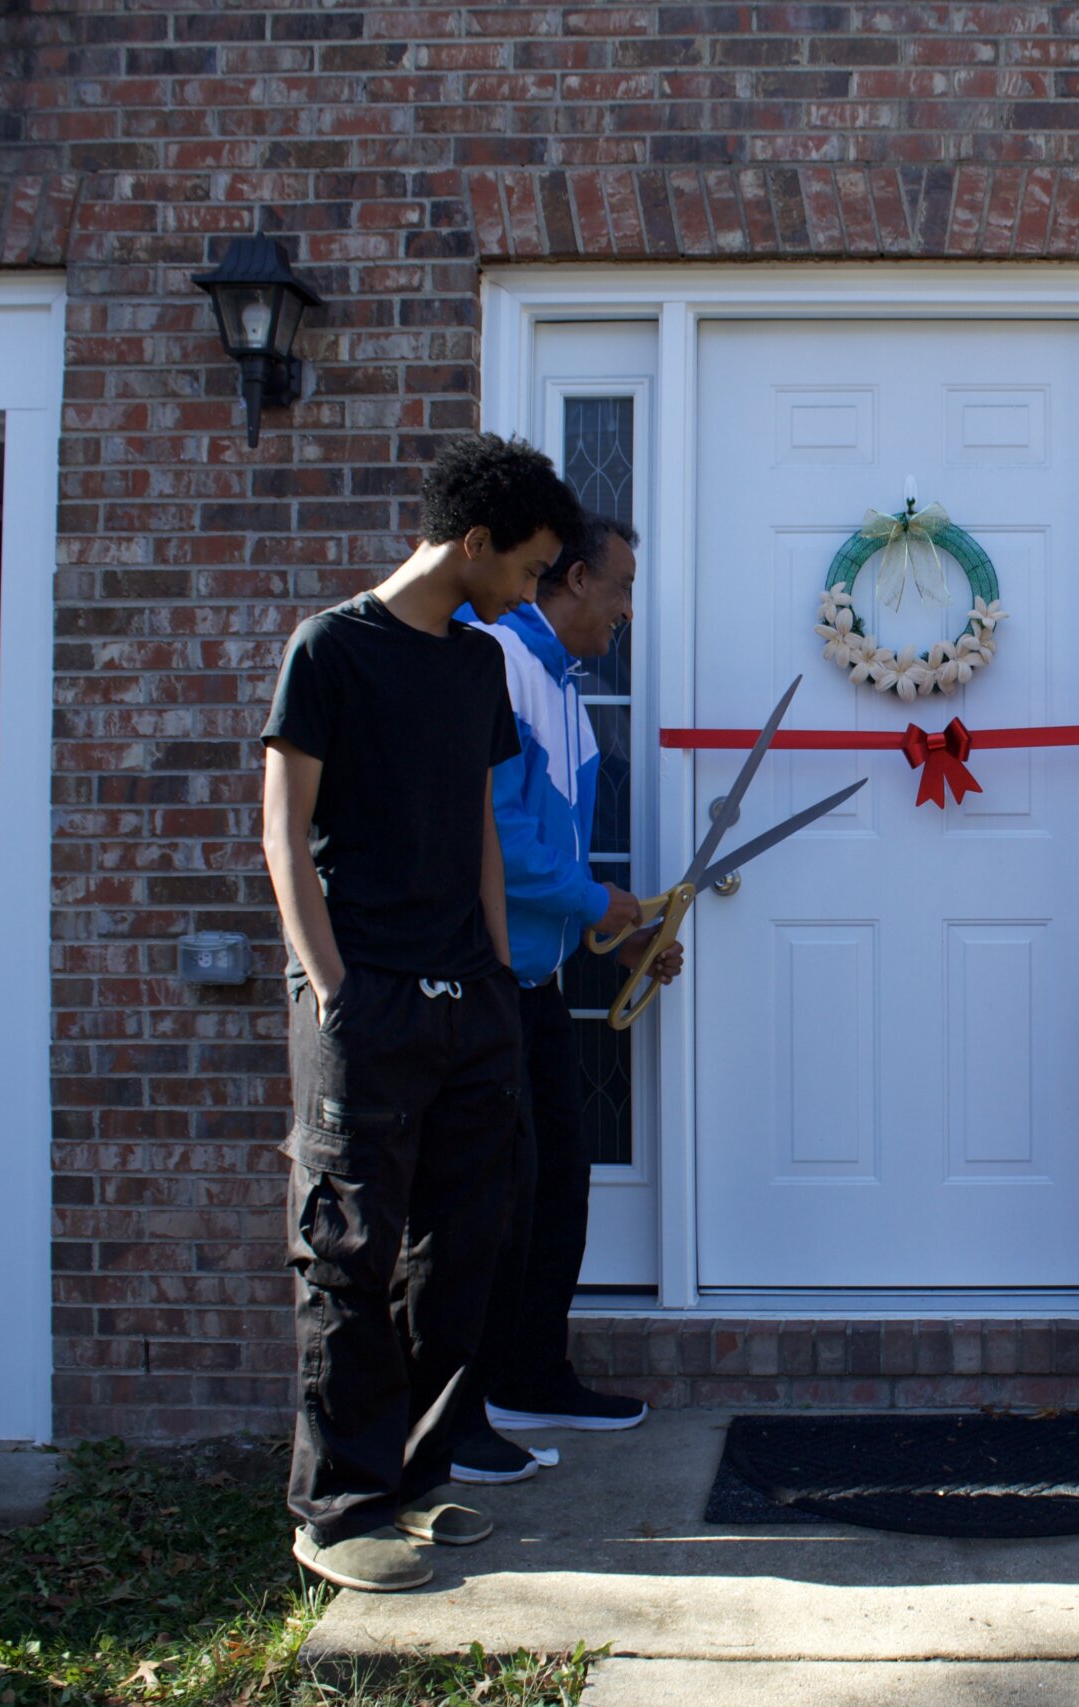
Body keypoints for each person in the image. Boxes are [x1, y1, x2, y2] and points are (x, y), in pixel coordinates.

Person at [261, 432, 582, 1594]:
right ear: (475, 542)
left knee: (463, 1256)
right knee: (349, 1255)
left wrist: (496, 976)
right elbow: (282, 832)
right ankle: (338, 1511)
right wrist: (333, 989)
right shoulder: (330, 650)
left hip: (469, 1000)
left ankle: (414, 1480)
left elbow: (485, 832)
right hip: (371, 1000)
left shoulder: (476, 665)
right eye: (530, 566)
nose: (533, 589)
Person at [448, 511, 679, 1484]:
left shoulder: (561, 689)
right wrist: (603, 902)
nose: (627, 611)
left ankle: (533, 1377)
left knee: (558, 1185)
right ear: (573, 578)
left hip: (536, 976)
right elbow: (496, 831)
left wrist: (616, 939)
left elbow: (556, 853)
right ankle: (460, 1414)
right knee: (492, 1202)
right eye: (620, 588)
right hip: (485, 978)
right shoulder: (498, 663)